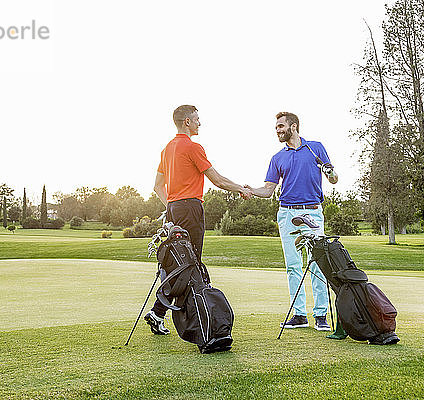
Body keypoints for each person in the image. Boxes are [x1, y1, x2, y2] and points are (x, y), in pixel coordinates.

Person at [144, 104, 252, 335]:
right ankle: (193, 318)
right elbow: (218, 180)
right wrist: (241, 189)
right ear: (187, 122)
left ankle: (159, 312)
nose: (199, 123)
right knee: (190, 264)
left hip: (174, 210)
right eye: (196, 119)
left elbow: (157, 186)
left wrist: (172, 205)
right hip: (191, 208)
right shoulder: (193, 147)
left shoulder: (167, 149)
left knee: (178, 263)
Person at [246, 111, 338, 331]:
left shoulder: (315, 148)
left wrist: (330, 172)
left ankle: (320, 315)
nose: (277, 130)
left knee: (316, 262)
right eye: (276, 127)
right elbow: (269, 190)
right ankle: (299, 314)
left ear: (293, 126)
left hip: (313, 212)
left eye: (280, 126)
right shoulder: (277, 158)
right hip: (287, 214)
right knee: (293, 266)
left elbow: (334, 179)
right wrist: (249, 190)